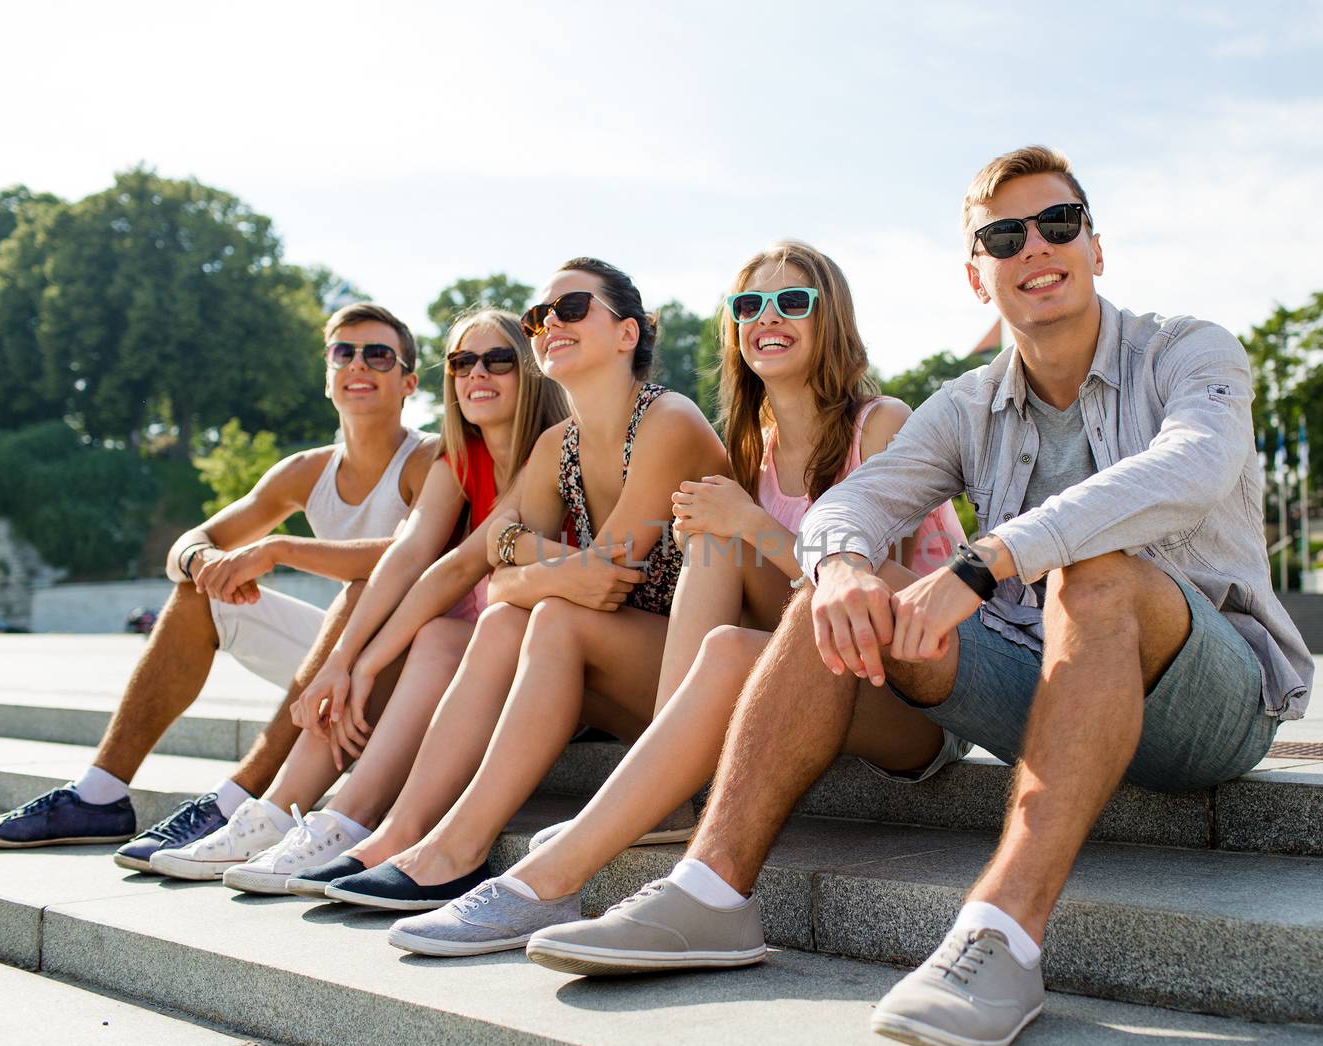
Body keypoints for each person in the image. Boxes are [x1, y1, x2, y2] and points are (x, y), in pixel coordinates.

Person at [523, 146, 1316, 1046]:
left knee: (1094, 574)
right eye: (1003, 236)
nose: (1036, 247)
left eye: (1058, 224)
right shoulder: (967, 403)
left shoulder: (1188, 349)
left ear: (1096, 246)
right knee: (838, 596)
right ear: (977, 275)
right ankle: (711, 890)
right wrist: (842, 567)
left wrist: (992, 559)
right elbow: (853, 506)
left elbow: (1196, 465)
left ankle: (1001, 937)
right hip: (1032, 677)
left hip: (1206, 695)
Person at [385, 241, 968, 956]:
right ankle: (653, 792)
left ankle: (581, 851)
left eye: (793, 301)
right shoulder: (750, 445)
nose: (767, 317)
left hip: (914, 696)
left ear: (831, 318)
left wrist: (748, 524)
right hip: (804, 678)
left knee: (722, 564)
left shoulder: (880, 424)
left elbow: (883, 605)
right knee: (687, 555)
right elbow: (489, 568)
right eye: (748, 305)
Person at [290, 257, 729, 910]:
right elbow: (492, 576)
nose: (550, 322)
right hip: (632, 676)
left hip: (704, 686)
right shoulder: (559, 445)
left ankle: (459, 848)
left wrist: (525, 561)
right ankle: (405, 834)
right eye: (539, 315)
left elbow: (606, 578)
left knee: (549, 613)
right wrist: (358, 659)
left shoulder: (669, 421)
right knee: (505, 619)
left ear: (627, 334)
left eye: (573, 308)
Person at [0, 303, 438, 869]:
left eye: (378, 354)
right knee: (197, 595)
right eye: (344, 351)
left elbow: (414, 557)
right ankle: (98, 794)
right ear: (327, 375)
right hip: (338, 658)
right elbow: (189, 544)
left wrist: (278, 549)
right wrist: (207, 563)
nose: (359, 363)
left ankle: (236, 802)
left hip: (416, 667)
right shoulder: (304, 471)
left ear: (408, 381)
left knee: (361, 591)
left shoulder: (427, 458)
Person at [144, 307, 567, 887]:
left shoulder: (551, 448)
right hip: (482, 640)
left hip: (552, 653)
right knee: (422, 626)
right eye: (463, 362)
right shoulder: (456, 458)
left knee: (439, 629)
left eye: (499, 361)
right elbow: (412, 552)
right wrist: (344, 664)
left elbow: (455, 570)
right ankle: (281, 812)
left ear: (531, 371)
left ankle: (351, 818)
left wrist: (354, 657)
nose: (477, 375)